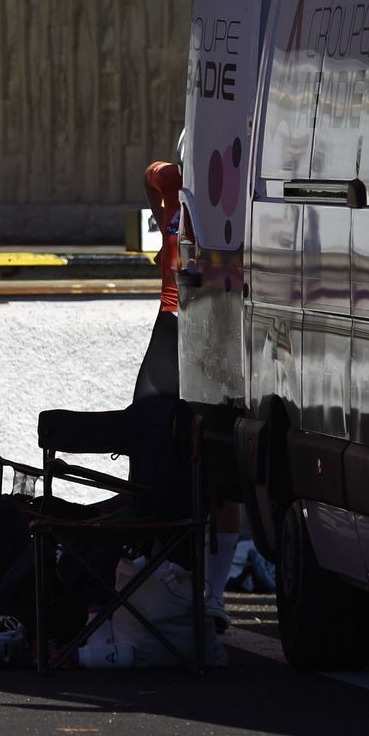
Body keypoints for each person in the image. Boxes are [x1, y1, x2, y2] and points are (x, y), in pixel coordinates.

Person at [140, 158, 239, 632]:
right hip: (172, 322)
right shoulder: (178, 194)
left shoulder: (232, 197)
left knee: (218, 469)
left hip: (217, 330)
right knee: (152, 445)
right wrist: (180, 175)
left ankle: (215, 595)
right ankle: (164, 574)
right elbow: (152, 173)